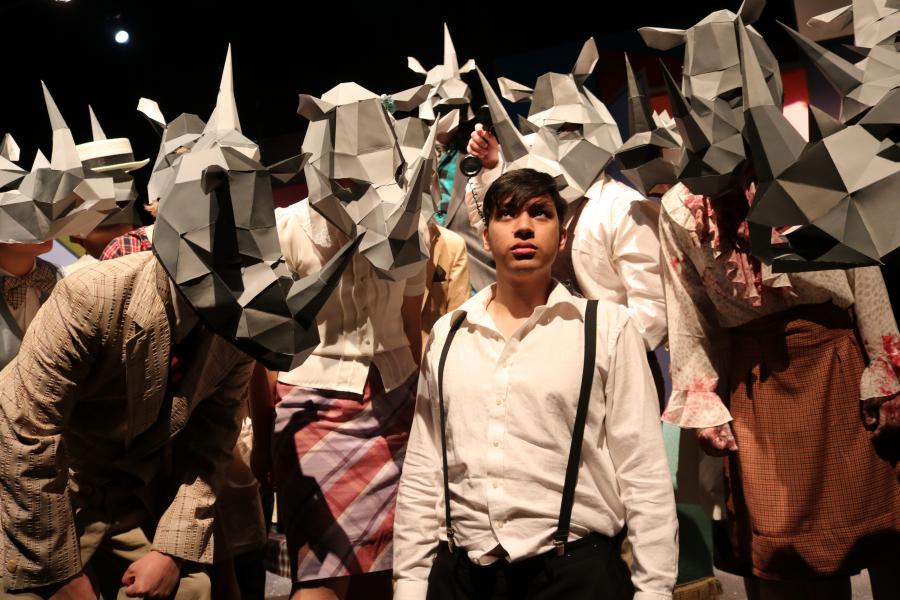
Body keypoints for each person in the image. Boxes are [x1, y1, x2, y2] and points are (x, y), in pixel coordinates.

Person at [394, 168, 677, 600]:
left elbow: (643, 470)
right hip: (463, 575)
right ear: (486, 236)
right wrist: (410, 585)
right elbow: (423, 469)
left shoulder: (605, 328)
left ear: (562, 236)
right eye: (506, 215)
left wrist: (654, 590)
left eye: (540, 213)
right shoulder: (450, 335)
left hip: (573, 574)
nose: (523, 226)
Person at [250, 81, 432, 600]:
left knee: (393, 566)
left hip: (397, 407)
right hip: (311, 413)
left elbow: (410, 320)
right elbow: (265, 348)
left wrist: (425, 413)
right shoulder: (287, 229)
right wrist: (264, 438)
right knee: (319, 571)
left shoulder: (408, 228)